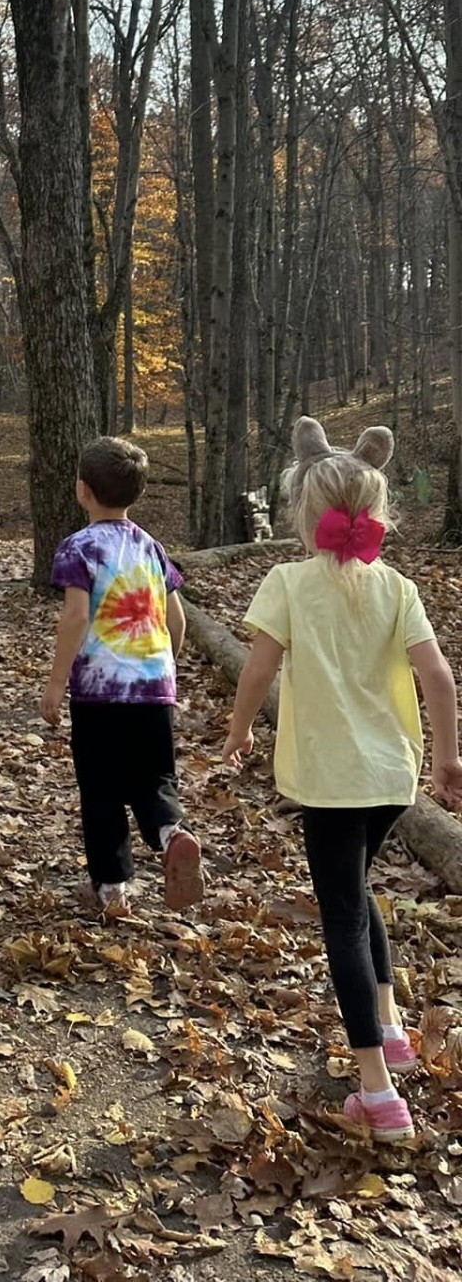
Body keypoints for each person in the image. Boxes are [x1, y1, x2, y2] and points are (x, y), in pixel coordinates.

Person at [223, 417, 462, 1144]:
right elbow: (439, 678)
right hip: (393, 776)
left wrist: (238, 731)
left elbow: (258, 667)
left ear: (303, 512)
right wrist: (449, 760)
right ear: (377, 513)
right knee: (359, 895)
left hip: (330, 779)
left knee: (342, 920)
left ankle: (377, 1092)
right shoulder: (396, 586)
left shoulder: (289, 581)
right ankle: (388, 1027)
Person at [42, 436, 203, 916]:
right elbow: (178, 620)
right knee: (154, 776)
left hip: (98, 694)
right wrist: (165, 665)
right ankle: (172, 832)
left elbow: (75, 618)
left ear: (81, 491)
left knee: (101, 788)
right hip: (154, 689)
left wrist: (55, 682)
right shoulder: (151, 548)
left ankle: (113, 889)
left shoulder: (79, 548)